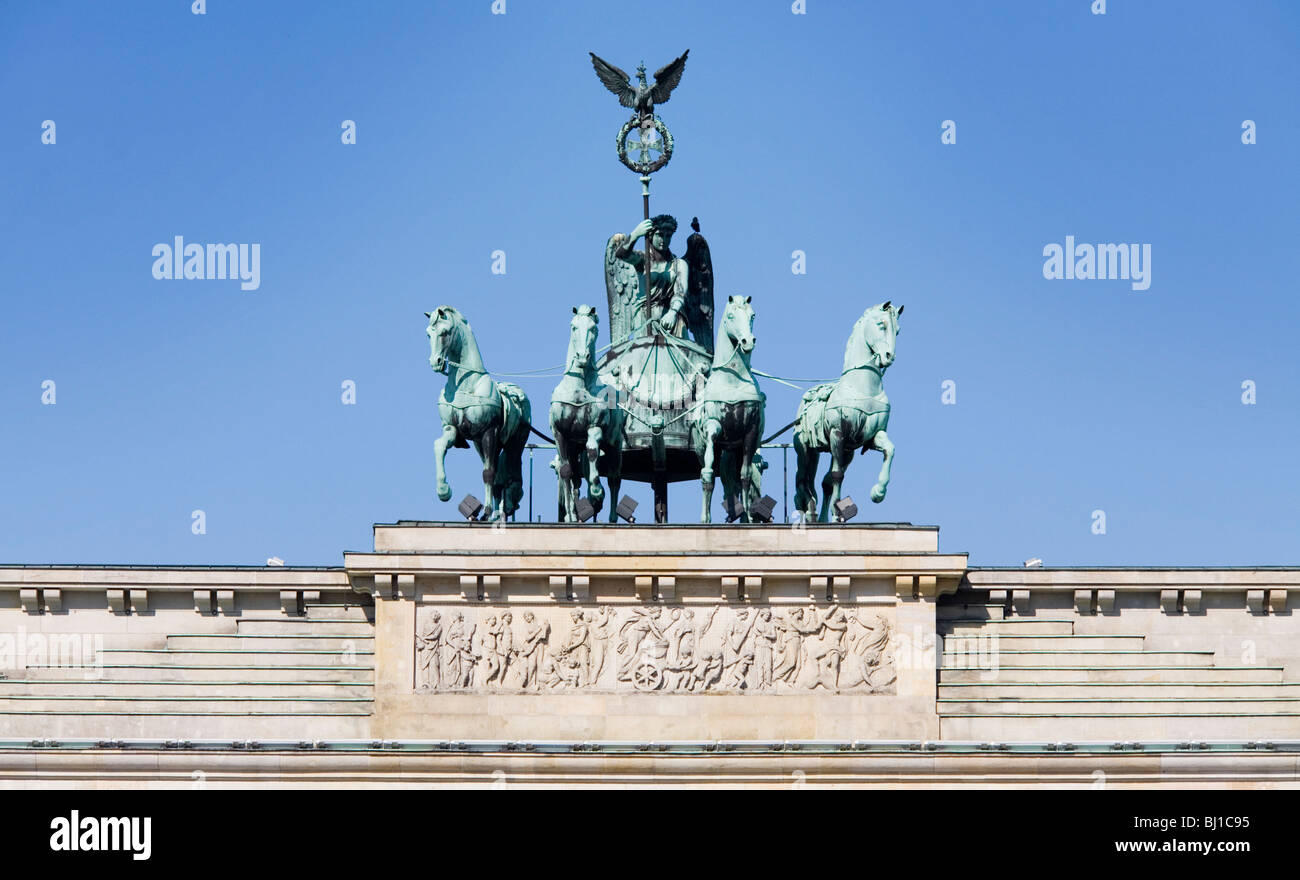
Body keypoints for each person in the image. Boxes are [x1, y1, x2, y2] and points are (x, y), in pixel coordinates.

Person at [613, 214, 689, 336]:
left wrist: (672, 313)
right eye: (659, 235)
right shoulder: (642, 260)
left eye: (668, 236)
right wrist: (636, 234)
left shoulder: (679, 264)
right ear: (651, 235)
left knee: (685, 351)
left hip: (671, 316)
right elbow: (621, 254)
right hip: (645, 316)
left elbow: (680, 292)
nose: (663, 240)